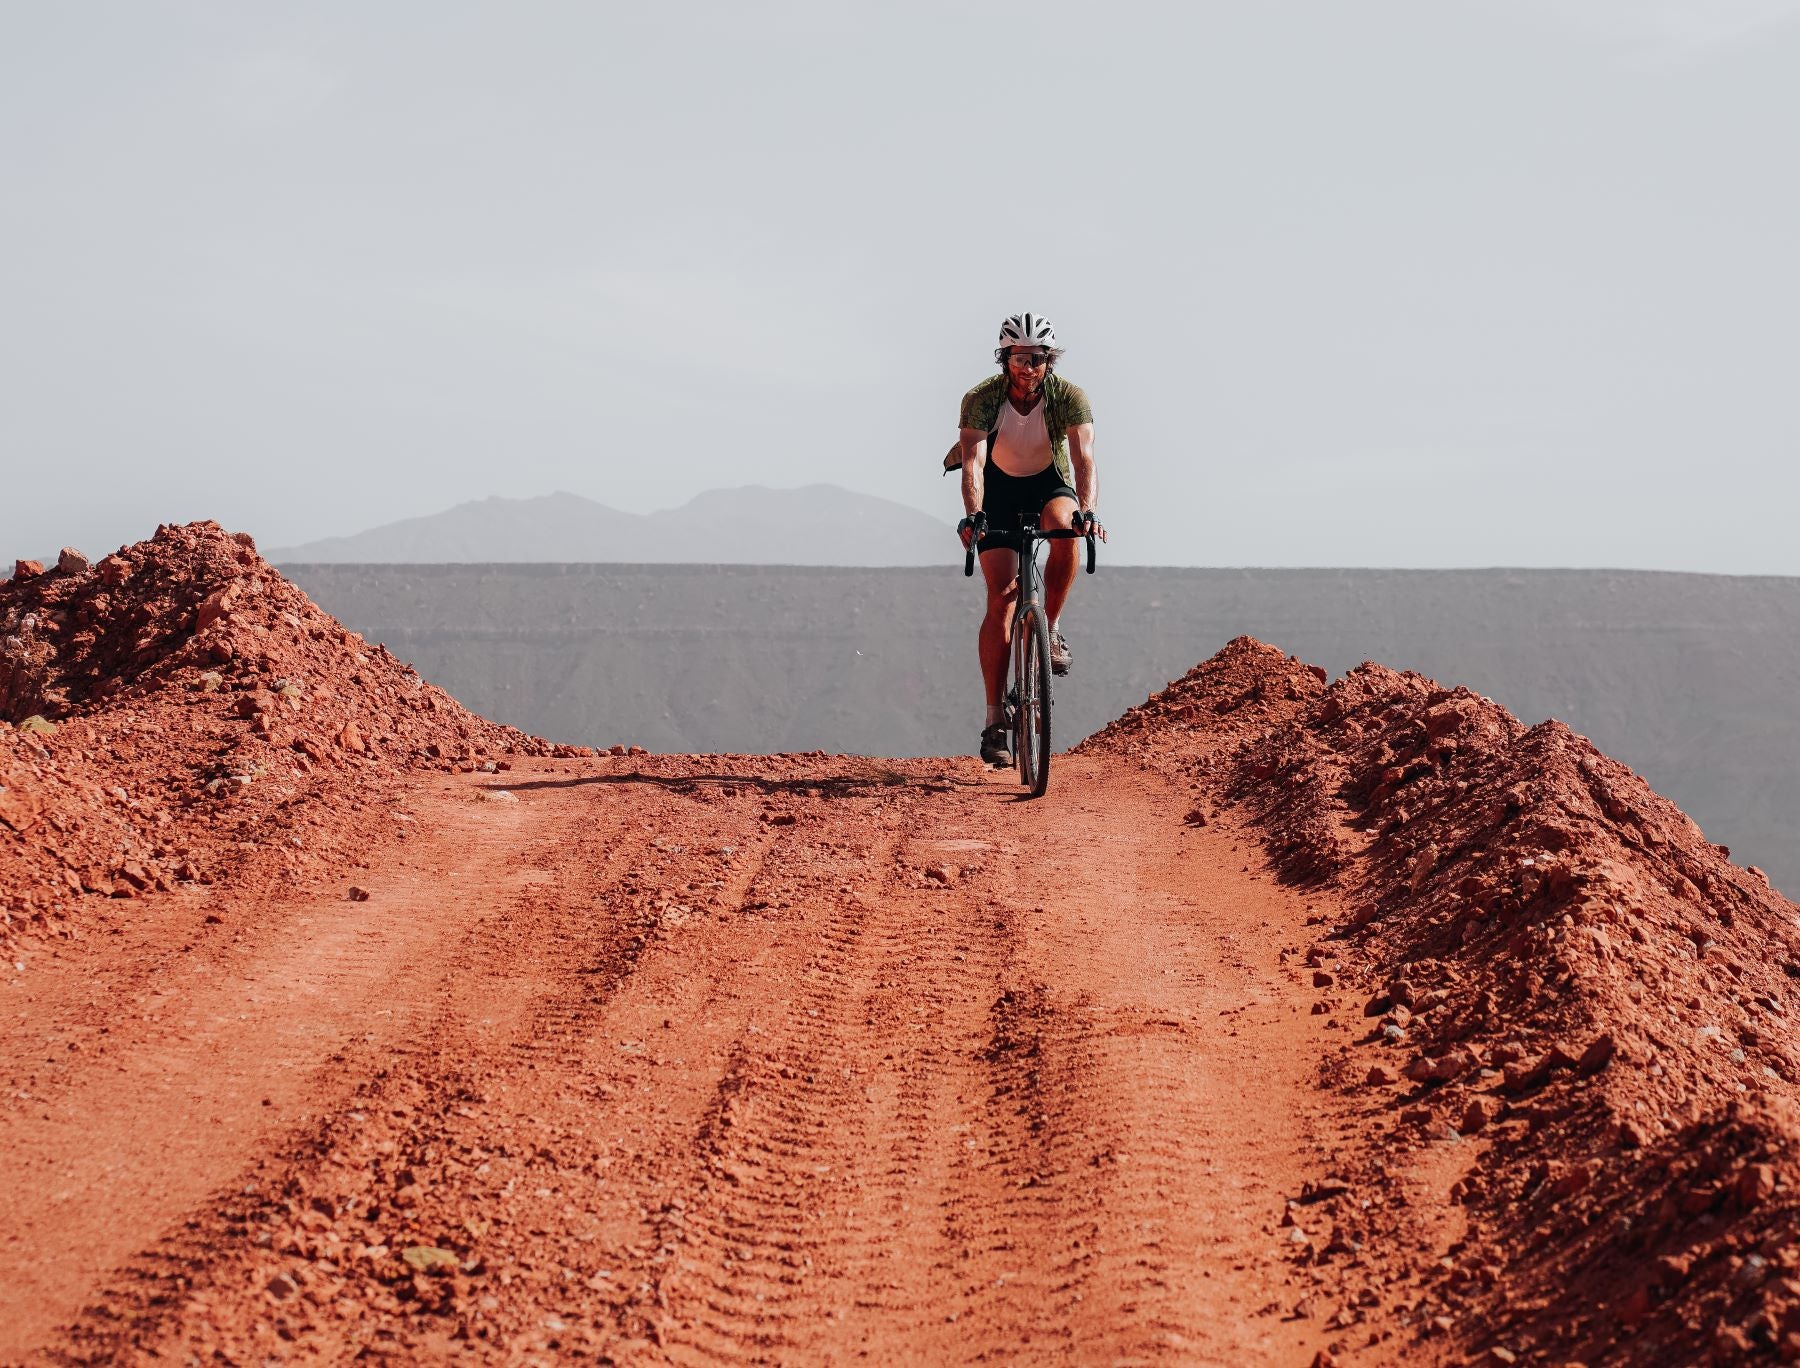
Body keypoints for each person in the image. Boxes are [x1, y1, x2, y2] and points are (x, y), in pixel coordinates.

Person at [953, 312, 1102, 767]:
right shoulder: (982, 398)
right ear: (1005, 359)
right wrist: (973, 515)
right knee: (1000, 599)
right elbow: (973, 462)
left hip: (1047, 483)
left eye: (1037, 358)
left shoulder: (1068, 396)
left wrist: (1088, 511)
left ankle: (1050, 629)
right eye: (1019, 357)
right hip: (996, 490)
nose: (1028, 366)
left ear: (1047, 361)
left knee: (1066, 526)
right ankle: (995, 720)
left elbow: (1084, 460)